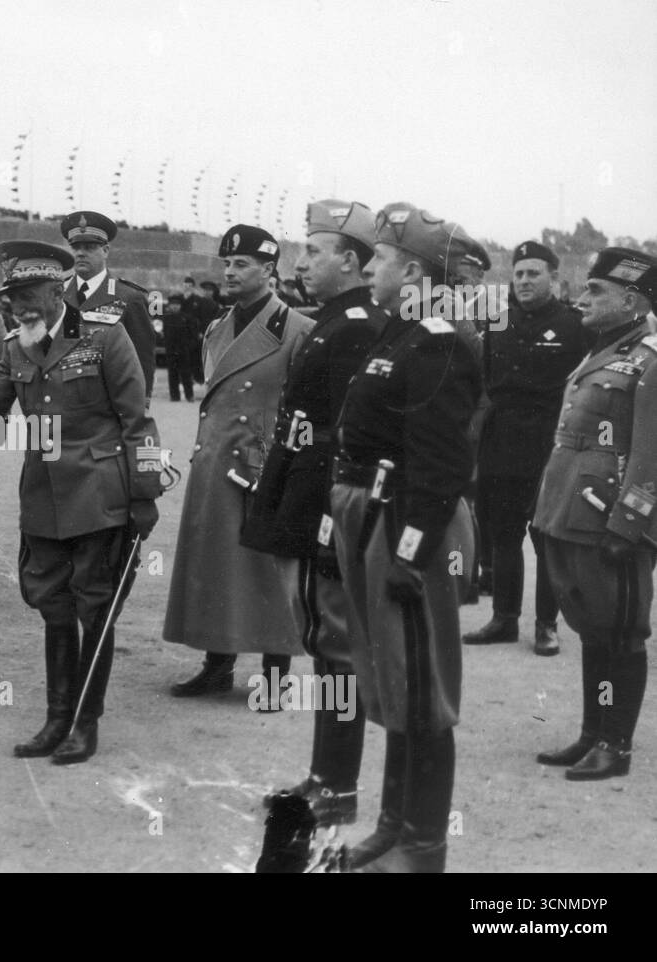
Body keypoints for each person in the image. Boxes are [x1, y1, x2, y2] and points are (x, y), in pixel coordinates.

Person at [0, 240, 163, 763]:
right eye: (10, 296)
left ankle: (85, 724)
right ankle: (55, 718)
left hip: (100, 497)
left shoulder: (105, 338)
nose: (18, 306)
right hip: (43, 500)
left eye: (28, 295)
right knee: (53, 609)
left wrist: (146, 496)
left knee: (96, 610)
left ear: (57, 290)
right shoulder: (15, 347)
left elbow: (140, 423)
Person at [330, 202, 482, 872]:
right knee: (393, 681)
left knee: (423, 688)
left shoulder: (440, 340)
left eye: (383, 258)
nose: (370, 267)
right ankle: (394, 826)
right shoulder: (402, 333)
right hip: (382, 517)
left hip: (412, 523)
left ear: (414, 269)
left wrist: (412, 552)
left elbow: (443, 464)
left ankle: (424, 843)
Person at [242, 199, 386, 826]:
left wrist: (329, 516)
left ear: (350, 260)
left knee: (336, 645)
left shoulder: (355, 325)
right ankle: (327, 776)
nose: (301, 261)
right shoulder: (335, 319)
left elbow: (352, 436)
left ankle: (337, 784)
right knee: (325, 643)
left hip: (322, 499)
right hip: (304, 488)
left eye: (313, 251)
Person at [163, 224, 313, 704]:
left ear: (269, 271)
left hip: (261, 466)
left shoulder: (297, 330)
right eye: (227, 263)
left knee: (267, 571)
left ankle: (275, 678)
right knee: (214, 564)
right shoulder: (216, 327)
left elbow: (304, 410)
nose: (229, 272)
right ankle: (216, 665)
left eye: (241, 264)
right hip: (215, 463)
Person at [532, 248, 657, 781]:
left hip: (612, 520)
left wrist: (630, 522)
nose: (583, 298)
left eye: (596, 291)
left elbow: (652, 452)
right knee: (590, 627)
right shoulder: (604, 349)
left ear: (631, 298)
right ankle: (591, 733)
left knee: (622, 630)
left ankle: (616, 745)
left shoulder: (650, 358)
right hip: (574, 514)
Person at [464, 240, 588, 654]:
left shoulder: (576, 325)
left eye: (533, 273)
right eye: (518, 274)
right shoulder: (496, 322)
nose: (524, 281)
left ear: (553, 278)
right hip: (501, 440)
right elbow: (483, 379)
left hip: (547, 443)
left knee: (544, 535)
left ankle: (546, 625)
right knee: (502, 534)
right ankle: (503, 619)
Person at [60, 211, 156, 402]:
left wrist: (141, 403)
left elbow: (142, 357)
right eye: (76, 247)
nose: (80, 253)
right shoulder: (58, 294)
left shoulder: (129, 297)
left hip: (109, 403)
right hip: (63, 400)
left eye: (89, 247)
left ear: (105, 251)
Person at [161, 293, 196, 402]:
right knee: (172, 373)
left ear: (180, 306)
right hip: (171, 350)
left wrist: (188, 346)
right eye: (173, 304)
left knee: (186, 374)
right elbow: (161, 334)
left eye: (177, 304)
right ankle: (174, 396)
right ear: (169, 306)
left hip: (183, 350)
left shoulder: (186, 318)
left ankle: (189, 396)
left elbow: (192, 334)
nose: (175, 306)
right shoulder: (165, 318)